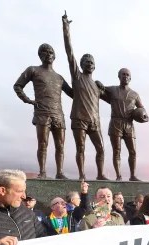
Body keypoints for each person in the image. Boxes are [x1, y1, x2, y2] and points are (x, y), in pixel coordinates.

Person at [14, 43, 73, 179]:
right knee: (43, 144)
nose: (48, 55)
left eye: (51, 52)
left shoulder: (59, 77)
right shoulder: (33, 70)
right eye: (45, 52)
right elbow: (18, 86)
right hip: (42, 113)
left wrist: (82, 85)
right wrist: (27, 100)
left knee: (60, 146)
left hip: (58, 114)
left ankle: (60, 172)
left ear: (55, 56)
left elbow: (73, 94)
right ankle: (42, 172)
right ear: (40, 55)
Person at [62, 13, 108, 180]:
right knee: (80, 148)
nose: (89, 64)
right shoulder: (77, 76)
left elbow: (114, 98)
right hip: (79, 119)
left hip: (94, 121)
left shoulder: (97, 85)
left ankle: (101, 174)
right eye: (86, 62)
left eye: (91, 62)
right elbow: (69, 51)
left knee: (101, 148)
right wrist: (66, 27)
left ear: (94, 66)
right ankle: (82, 175)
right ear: (81, 65)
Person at [96, 68, 147, 181]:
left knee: (132, 151)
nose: (125, 76)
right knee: (117, 151)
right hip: (116, 123)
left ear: (130, 78)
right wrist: (98, 83)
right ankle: (118, 176)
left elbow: (142, 108)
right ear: (119, 76)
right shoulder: (113, 90)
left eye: (127, 75)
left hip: (129, 124)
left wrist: (143, 116)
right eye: (123, 74)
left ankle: (132, 176)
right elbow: (100, 88)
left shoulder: (134, 94)